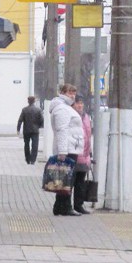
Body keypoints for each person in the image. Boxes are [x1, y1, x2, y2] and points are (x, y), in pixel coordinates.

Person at [48, 83, 84, 216]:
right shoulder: (62, 108)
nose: (72, 96)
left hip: (71, 147)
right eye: (70, 93)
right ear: (62, 93)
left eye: (74, 93)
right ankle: (65, 206)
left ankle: (60, 206)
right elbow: (62, 130)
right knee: (67, 179)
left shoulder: (65, 107)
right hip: (67, 149)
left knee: (65, 179)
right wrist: (62, 151)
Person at [72, 96, 94, 214]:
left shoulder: (86, 117)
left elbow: (88, 135)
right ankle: (67, 205)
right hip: (74, 153)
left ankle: (78, 205)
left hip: (84, 154)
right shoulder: (72, 116)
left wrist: (89, 151)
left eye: (81, 103)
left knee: (80, 182)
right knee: (71, 181)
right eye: (77, 103)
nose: (80, 105)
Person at [17, 96, 44, 164]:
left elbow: (20, 120)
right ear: (34, 101)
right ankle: (33, 159)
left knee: (26, 145)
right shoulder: (38, 110)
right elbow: (42, 119)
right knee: (35, 145)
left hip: (26, 130)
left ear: (28, 101)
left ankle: (27, 159)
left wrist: (18, 129)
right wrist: (40, 126)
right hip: (35, 130)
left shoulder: (24, 110)